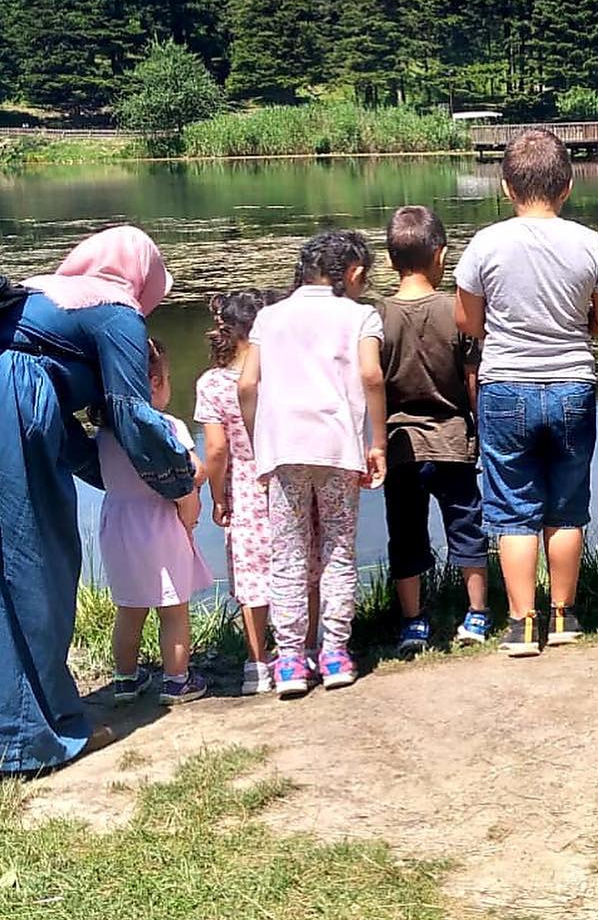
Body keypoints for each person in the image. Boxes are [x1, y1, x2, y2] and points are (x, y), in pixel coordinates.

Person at [1, 227, 196, 773]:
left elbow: (82, 437)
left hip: (14, 410)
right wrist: (179, 483)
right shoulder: (116, 310)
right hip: (13, 409)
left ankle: (17, 723)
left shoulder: (48, 294)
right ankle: (34, 740)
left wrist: (114, 477)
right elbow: (133, 416)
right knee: (38, 565)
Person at [454, 130, 598, 657]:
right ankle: (565, 616)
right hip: (572, 384)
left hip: (506, 385)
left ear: (507, 187)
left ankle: (522, 624)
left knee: (511, 508)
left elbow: (468, 321)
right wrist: (575, 323)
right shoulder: (589, 243)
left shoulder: (485, 243)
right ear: (568, 186)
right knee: (566, 505)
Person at [239, 231, 387, 698]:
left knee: (288, 553)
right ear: (354, 274)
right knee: (339, 549)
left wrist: (259, 437)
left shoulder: (269, 316)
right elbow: (371, 375)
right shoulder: (360, 315)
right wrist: (377, 441)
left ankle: (288, 661)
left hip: (284, 451)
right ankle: (335, 652)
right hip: (339, 448)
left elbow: (247, 384)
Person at [381, 205, 490, 653]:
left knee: (405, 533)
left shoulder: (375, 317)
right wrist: (479, 429)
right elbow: (472, 380)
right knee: (467, 527)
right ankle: (477, 615)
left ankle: (413, 622)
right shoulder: (456, 312)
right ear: (441, 255)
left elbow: (372, 386)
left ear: (389, 261)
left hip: (399, 447)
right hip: (452, 442)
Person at [105, 338, 212, 705]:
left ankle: (125, 678)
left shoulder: (105, 431)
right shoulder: (167, 426)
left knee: (129, 607)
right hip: (159, 523)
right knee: (173, 608)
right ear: (153, 382)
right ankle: (177, 679)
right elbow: (193, 472)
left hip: (117, 524)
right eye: (167, 377)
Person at [195, 289, 282, 694]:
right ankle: (300, 650)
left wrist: (218, 496)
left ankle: (256, 663)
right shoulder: (280, 372)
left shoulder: (212, 383)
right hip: (283, 475)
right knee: (293, 562)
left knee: (251, 575)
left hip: (243, 485)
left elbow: (215, 449)